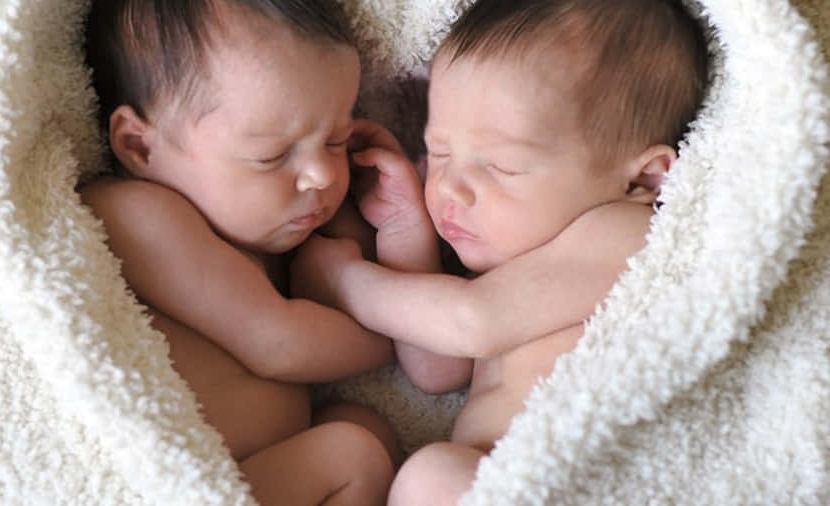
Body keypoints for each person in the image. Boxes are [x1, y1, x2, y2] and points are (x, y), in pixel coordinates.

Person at [289, 0, 709, 503]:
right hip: (496, 479)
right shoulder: (522, 257)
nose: (451, 188)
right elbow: (438, 371)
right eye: (439, 153)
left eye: (501, 167)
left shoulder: (626, 233)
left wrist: (346, 282)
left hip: (584, 485)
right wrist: (405, 231)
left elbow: (472, 322)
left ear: (644, 177)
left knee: (431, 476)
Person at [80, 1, 400, 504]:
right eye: (271, 155)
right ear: (139, 147)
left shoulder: (275, 233)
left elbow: (355, 279)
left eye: (337, 138)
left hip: (258, 471)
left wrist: (389, 222)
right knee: (352, 453)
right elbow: (280, 344)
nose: (322, 175)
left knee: (366, 428)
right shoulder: (137, 216)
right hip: (175, 488)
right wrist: (412, 332)